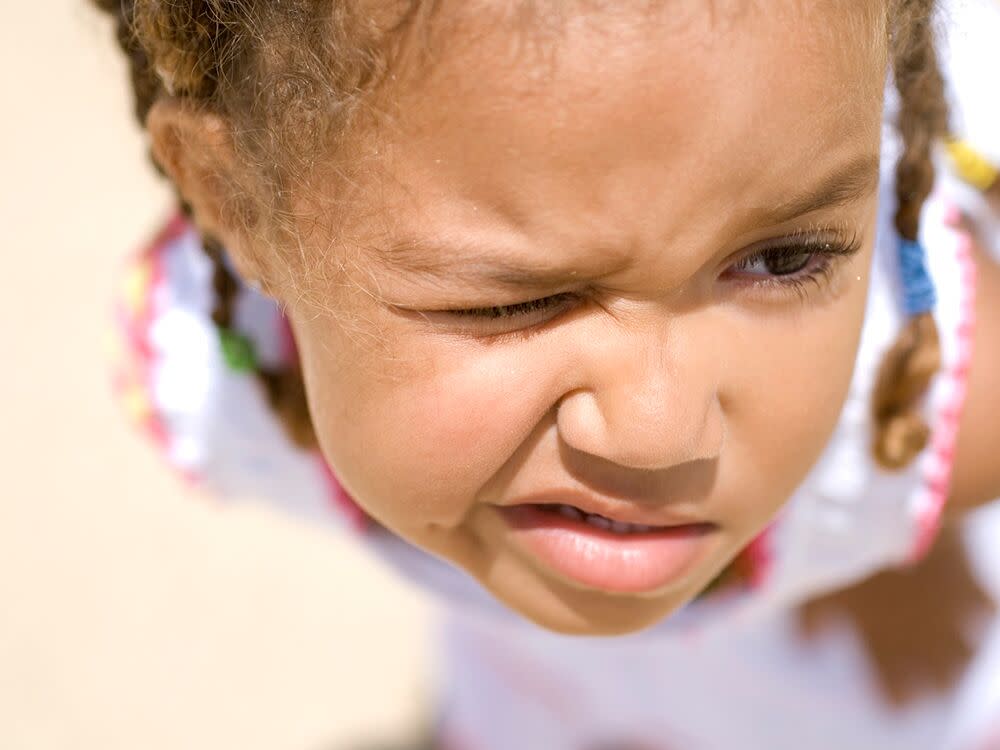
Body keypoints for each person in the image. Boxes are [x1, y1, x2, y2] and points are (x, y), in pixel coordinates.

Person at [95, 0, 1000, 747]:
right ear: (242, 209)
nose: (657, 430)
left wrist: (884, 548)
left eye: (781, 260)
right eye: (514, 305)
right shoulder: (225, 369)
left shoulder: (928, 407)